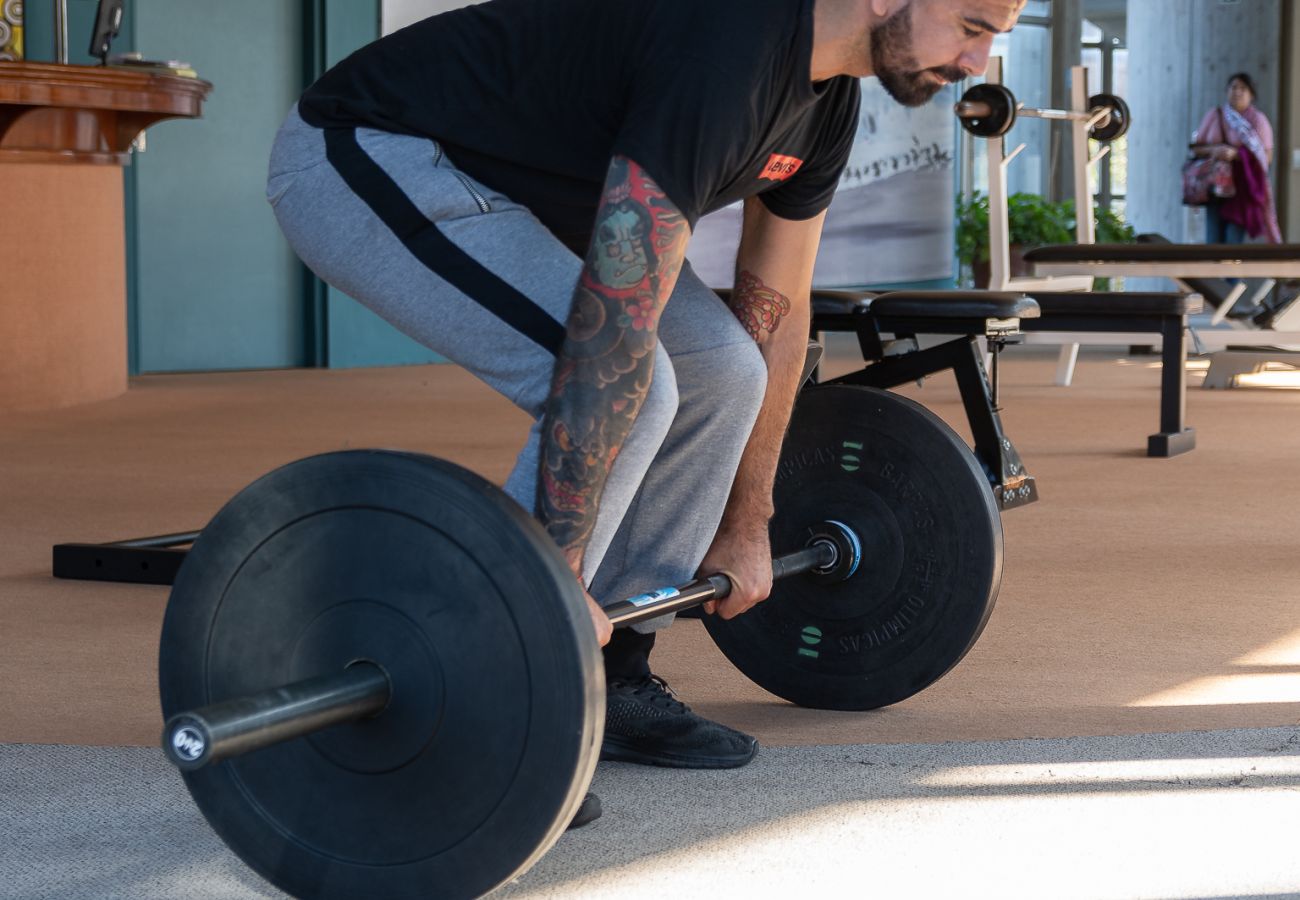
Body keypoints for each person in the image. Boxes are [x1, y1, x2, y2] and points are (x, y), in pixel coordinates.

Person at [266, 0, 1023, 823]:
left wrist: (750, 518)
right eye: (973, 24)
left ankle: (616, 672)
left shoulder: (828, 99)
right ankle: (491, 691)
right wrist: (548, 581)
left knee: (724, 367)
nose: (977, 61)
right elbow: (610, 339)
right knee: (639, 381)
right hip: (376, 152)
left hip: (539, 192)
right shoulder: (728, 46)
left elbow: (781, 307)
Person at [1192, 72, 1282, 246]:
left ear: (1251, 94)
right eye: (1234, 87)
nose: (1237, 92)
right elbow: (1196, 148)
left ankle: (1231, 275)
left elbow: (1266, 158)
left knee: (1233, 244)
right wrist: (1215, 150)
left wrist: (1237, 154)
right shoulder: (1215, 115)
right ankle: (1213, 273)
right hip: (1215, 188)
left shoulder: (1258, 120)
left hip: (1242, 190)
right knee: (1213, 241)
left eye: (1243, 88)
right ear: (1227, 91)